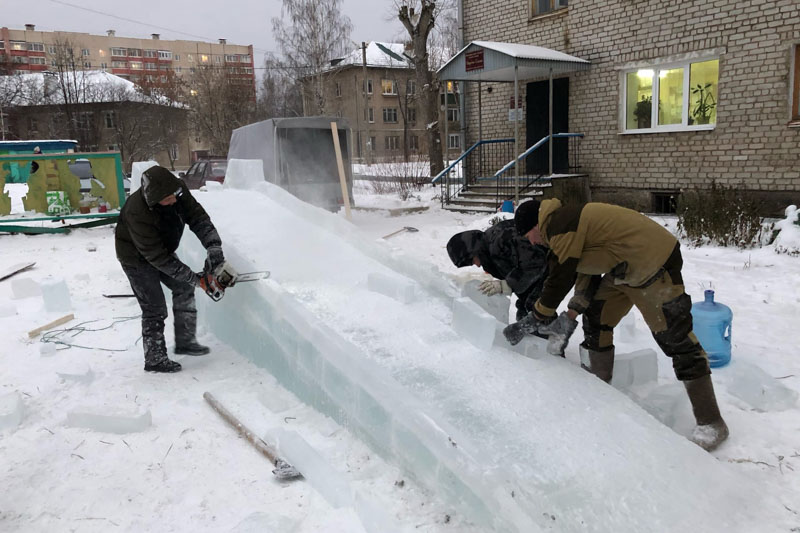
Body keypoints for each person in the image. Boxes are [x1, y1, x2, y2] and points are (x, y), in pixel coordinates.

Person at [504, 198, 729, 451]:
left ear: (537, 224)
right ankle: (598, 386)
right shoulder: (564, 224)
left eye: (529, 235)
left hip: (653, 262)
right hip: (623, 269)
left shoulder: (559, 224)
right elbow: (584, 271)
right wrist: (570, 315)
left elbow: (561, 276)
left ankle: (712, 422)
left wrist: (534, 318)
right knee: (597, 319)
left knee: (675, 338)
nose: (532, 242)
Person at [115, 165, 225, 373]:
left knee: (184, 288)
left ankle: (185, 341)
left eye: (174, 196)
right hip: (136, 258)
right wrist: (197, 279)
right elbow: (158, 258)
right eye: (167, 200)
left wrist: (214, 247)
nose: (174, 201)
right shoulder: (137, 212)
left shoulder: (177, 191)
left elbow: (198, 218)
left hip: (162, 249)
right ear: (154, 201)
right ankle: (154, 357)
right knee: (154, 308)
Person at [446, 218, 549, 321]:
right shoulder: (489, 255)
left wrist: (508, 284)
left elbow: (535, 262)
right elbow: (523, 279)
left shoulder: (501, 240)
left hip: (555, 263)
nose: (477, 265)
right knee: (527, 310)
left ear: (474, 249)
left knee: (537, 310)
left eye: (473, 260)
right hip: (539, 274)